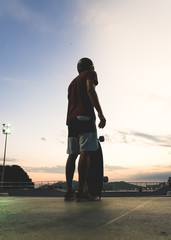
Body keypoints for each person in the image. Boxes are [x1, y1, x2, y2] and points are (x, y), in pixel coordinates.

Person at [65, 57, 106, 201]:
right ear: (90, 66)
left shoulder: (71, 83)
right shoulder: (91, 73)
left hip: (71, 121)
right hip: (85, 117)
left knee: (72, 154)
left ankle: (69, 190)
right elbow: (90, 89)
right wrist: (100, 113)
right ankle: (82, 190)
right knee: (86, 152)